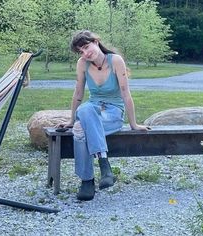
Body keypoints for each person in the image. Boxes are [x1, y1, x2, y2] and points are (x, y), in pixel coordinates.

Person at [58, 30, 149, 201]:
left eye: (86, 47)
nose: (85, 53)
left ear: (96, 42)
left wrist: (133, 124)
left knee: (80, 129)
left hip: (113, 113)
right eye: (81, 51)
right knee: (83, 113)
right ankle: (104, 166)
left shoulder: (115, 60)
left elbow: (125, 93)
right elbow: (78, 92)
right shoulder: (82, 64)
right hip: (92, 110)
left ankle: (87, 182)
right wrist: (71, 120)